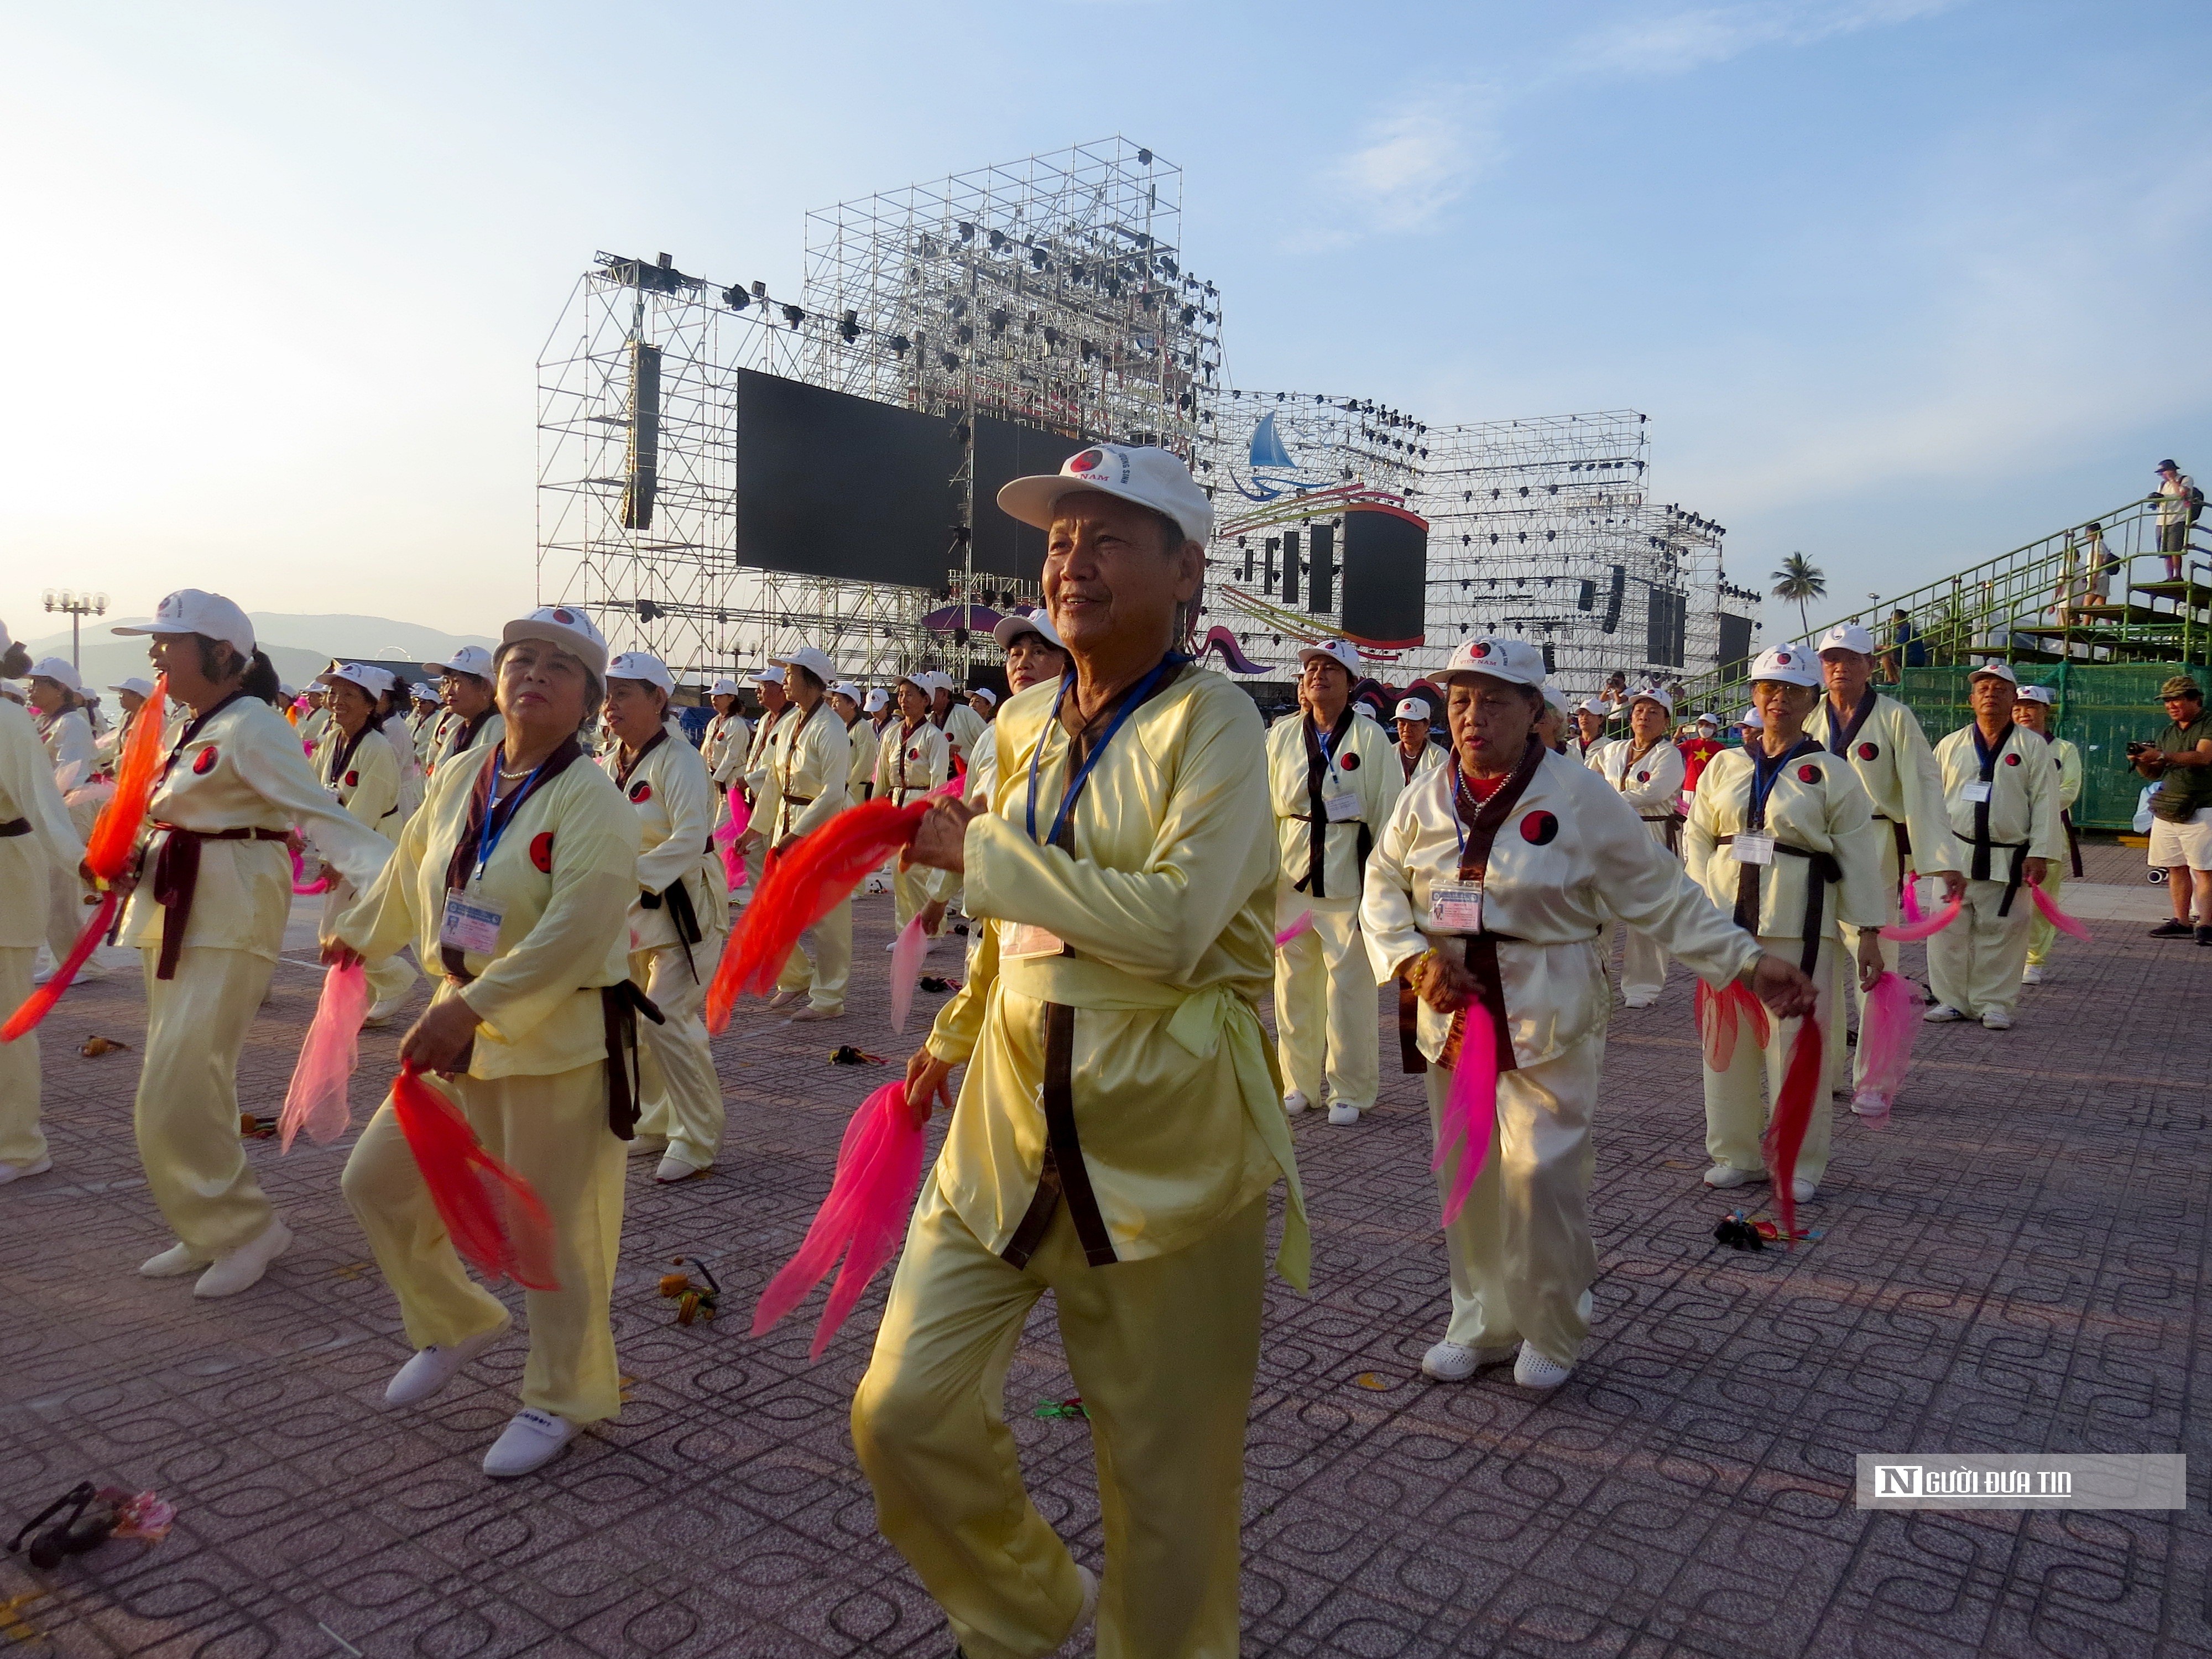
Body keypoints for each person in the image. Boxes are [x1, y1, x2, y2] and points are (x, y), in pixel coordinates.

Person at [855, 442, 1302, 1659]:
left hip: (1162, 1153)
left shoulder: (1212, 723)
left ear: (1182, 569)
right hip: (1003, 1130)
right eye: (1059, 540)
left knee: (1167, 1486)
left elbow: (1168, 925)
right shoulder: (1020, 717)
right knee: (902, 1412)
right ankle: (1023, 1608)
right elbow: (1013, 926)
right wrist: (953, 1031)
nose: (1071, 561)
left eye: (1107, 538)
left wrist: (982, 856)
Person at [1363, 635, 1817, 1391]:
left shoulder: (1579, 795)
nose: (1473, 717)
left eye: (1495, 700)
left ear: (1534, 711)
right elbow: (1382, 882)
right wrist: (1411, 956)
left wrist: (1745, 962)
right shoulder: (1427, 794)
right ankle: (1479, 1319)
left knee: (1542, 1174)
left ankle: (1553, 1323)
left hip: (1547, 1002)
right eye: (1462, 699)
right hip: (1451, 1005)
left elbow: (1661, 894)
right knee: (1467, 1174)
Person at [331, 604, 645, 1478]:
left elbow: (578, 933)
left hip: (553, 1040)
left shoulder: (596, 802)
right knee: (379, 1184)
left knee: (557, 1233)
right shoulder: (466, 769)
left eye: (560, 666)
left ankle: (563, 1395)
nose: (534, 674)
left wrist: (473, 1009)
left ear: (588, 698)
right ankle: (455, 1320)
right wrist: (362, 931)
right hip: (458, 1019)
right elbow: (412, 867)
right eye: (522, 658)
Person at [105, 591, 393, 1297]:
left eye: (171, 643)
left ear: (224, 655)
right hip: (178, 910)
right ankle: (210, 1226)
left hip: (229, 916)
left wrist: (399, 893)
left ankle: (244, 1229)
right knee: (182, 1083)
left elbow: (320, 817)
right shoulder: (197, 723)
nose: (155, 654)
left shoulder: (253, 725)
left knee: (178, 1083)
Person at [1684, 646, 1887, 1201]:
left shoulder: (1830, 773)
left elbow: (1858, 855)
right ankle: (1736, 1153)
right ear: (1753, 697)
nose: (1778, 699)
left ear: (1810, 702)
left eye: (1792, 691)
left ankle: (1797, 1162)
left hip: (1800, 926)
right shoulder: (1725, 765)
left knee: (1796, 1047)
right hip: (1729, 929)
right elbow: (1698, 836)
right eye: (1768, 689)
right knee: (1726, 1047)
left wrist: (1867, 930)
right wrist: (1704, 903)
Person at [1806, 623, 1964, 1112]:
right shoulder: (1810, 720)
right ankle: (1825, 1070)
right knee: (1818, 962)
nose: (1839, 667)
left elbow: (1922, 786)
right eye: (1831, 658)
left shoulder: (1895, 718)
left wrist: (1940, 858)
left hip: (1873, 843)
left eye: (1850, 658)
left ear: (1870, 666)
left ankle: (1872, 1078)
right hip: (1814, 849)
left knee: (1872, 964)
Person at [595, 650, 727, 1184]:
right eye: (609, 694)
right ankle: (654, 1120)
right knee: (638, 1024)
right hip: (633, 913)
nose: (611, 706)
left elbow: (691, 838)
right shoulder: (611, 762)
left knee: (668, 1018)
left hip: (684, 909)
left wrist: (630, 876)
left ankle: (697, 1137)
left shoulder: (680, 759)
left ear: (658, 700)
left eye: (624, 693)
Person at [1267, 638, 1402, 1126]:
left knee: (1349, 989)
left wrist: (1384, 888)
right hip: (1291, 882)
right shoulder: (1281, 735)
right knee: (1292, 986)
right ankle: (1298, 1082)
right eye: (1311, 670)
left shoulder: (1371, 739)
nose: (1318, 676)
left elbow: (1388, 814)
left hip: (1349, 881)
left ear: (1350, 683)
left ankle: (1350, 1087)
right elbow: (1264, 809)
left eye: (1330, 670)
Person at [1925, 663, 2060, 1028]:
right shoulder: (1950, 745)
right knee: (1947, 931)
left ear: (2014, 698)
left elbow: (2046, 802)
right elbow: (1932, 802)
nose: (1991, 693)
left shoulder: (2031, 746)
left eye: (2000, 689)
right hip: (1956, 852)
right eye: (1983, 688)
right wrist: (1927, 852)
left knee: (2003, 930)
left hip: (2009, 855)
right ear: (1971, 700)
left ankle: (1994, 1002)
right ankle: (1950, 999)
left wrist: (2039, 852)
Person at [0, 621, 86, 1185]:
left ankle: (21, 1146)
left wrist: (89, 866)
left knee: (7, 1019)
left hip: (7, 872)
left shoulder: (8, 720)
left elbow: (45, 807)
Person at [312, 664, 421, 1027]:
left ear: (372, 705)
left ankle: (397, 979)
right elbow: (316, 791)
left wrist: (335, 856)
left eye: (349, 695)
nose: (337, 701)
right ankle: (370, 997)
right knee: (337, 928)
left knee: (347, 927)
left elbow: (366, 810)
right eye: (335, 693)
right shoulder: (332, 740)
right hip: (345, 843)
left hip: (371, 844)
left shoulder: (377, 748)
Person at [763, 645, 852, 1021]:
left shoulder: (830, 728)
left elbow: (833, 792)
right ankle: (795, 976)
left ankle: (830, 996)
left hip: (820, 828)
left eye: (790, 673)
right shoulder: (789, 724)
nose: (784, 679)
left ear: (811, 681)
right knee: (775, 908)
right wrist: (756, 829)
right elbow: (773, 779)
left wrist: (796, 833)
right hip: (787, 821)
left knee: (828, 916)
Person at [1592, 687, 1688, 1008]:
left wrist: (1607, 799)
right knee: (1599, 911)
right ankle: (1596, 978)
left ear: (1665, 720)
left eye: (1652, 712)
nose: (1643, 717)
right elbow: (1586, 780)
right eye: (1638, 712)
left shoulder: (1669, 755)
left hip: (1651, 835)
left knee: (1647, 916)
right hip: (1609, 836)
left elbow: (1653, 792)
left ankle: (1642, 987)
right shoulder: (1612, 750)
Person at [25, 658, 104, 984]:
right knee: (51, 889)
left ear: (60, 689)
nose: (32, 691)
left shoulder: (71, 723)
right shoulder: (48, 721)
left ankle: (80, 965)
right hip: (52, 806)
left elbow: (68, 772)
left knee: (60, 888)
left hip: (67, 807)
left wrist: (41, 805)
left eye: (40, 684)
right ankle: (64, 959)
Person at [873, 673, 951, 946]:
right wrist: (876, 811)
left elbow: (939, 782)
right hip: (897, 804)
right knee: (898, 870)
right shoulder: (891, 735)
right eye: (901, 694)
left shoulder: (934, 737)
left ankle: (931, 932)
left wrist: (931, 816)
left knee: (919, 871)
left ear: (926, 700)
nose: (903, 700)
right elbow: (882, 778)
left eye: (910, 695)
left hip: (921, 805)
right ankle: (908, 931)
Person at [2135, 673, 2212, 943]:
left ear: (2195, 699)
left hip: (2204, 806)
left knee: (2204, 870)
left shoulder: (2208, 723)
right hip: (2170, 808)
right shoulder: (2168, 732)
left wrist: (2162, 755)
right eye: (2167, 701)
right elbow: (2154, 774)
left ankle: (2207, 924)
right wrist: (2142, 760)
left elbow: (2204, 757)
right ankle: (2181, 920)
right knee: (2175, 867)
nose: (2171, 705)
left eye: (2177, 699)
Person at [2013, 685, 2082, 982]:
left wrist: (2035, 806)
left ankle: (2035, 960)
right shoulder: (2005, 747)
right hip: (2008, 834)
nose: (2023, 713)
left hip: (2049, 833)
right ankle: (2007, 958)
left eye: (2031, 707)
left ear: (2045, 711)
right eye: (2017, 708)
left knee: (2041, 901)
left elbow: (2069, 790)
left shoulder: (2064, 750)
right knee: (2004, 901)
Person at [423, 648, 504, 780]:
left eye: (457, 682)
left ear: (485, 687)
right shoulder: (458, 727)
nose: (448, 691)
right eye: (447, 682)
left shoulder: (499, 729)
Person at [832, 680, 879, 806]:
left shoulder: (863, 728)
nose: (834, 706)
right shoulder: (839, 726)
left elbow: (864, 763)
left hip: (856, 791)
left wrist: (847, 787)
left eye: (838, 702)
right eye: (833, 702)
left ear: (852, 704)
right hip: (841, 790)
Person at [2154, 459, 2199, 582]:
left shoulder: (2185, 479)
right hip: (2162, 519)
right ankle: (2169, 576)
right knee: (2165, 551)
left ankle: (2177, 575)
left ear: (2171, 470)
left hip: (2178, 518)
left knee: (2175, 548)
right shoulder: (2163, 485)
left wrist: (2173, 480)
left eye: (2163, 472)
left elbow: (2182, 493)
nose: (2162, 475)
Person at [1394, 695, 1445, 786]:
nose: (1407, 729)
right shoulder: (1389, 753)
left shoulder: (1438, 755)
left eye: (1413, 725)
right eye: (1402, 723)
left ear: (1427, 725)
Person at [1678, 713, 1725, 799]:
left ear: (1715, 728)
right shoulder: (1690, 744)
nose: (1704, 728)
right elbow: (1671, 755)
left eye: (1708, 725)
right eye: (1701, 725)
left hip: (1709, 789)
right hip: (1690, 788)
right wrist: (1676, 738)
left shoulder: (1720, 748)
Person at [1570, 698, 1607, 762]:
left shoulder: (1608, 746)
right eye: (1581, 715)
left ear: (1601, 720)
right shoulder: (1570, 745)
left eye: (1589, 715)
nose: (1584, 718)